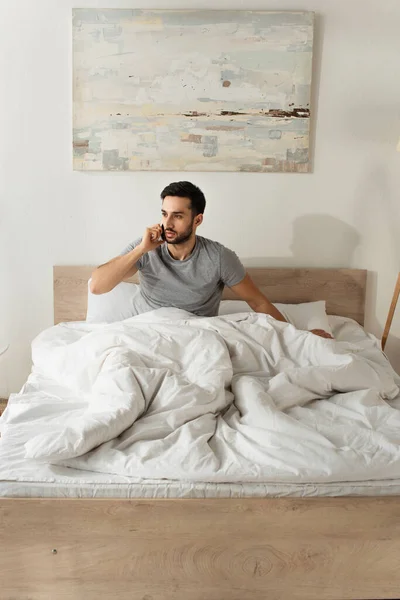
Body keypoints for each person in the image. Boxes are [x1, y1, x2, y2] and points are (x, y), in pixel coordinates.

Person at [90, 181, 332, 338]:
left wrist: (301, 336)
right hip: (145, 333)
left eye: (177, 216)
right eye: (164, 214)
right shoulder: (145, 247)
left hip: (195, 337)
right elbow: (97, 287)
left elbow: (258, 304)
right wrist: (140, 250)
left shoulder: (218, 257)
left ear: (197, 220)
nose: (168, 224)